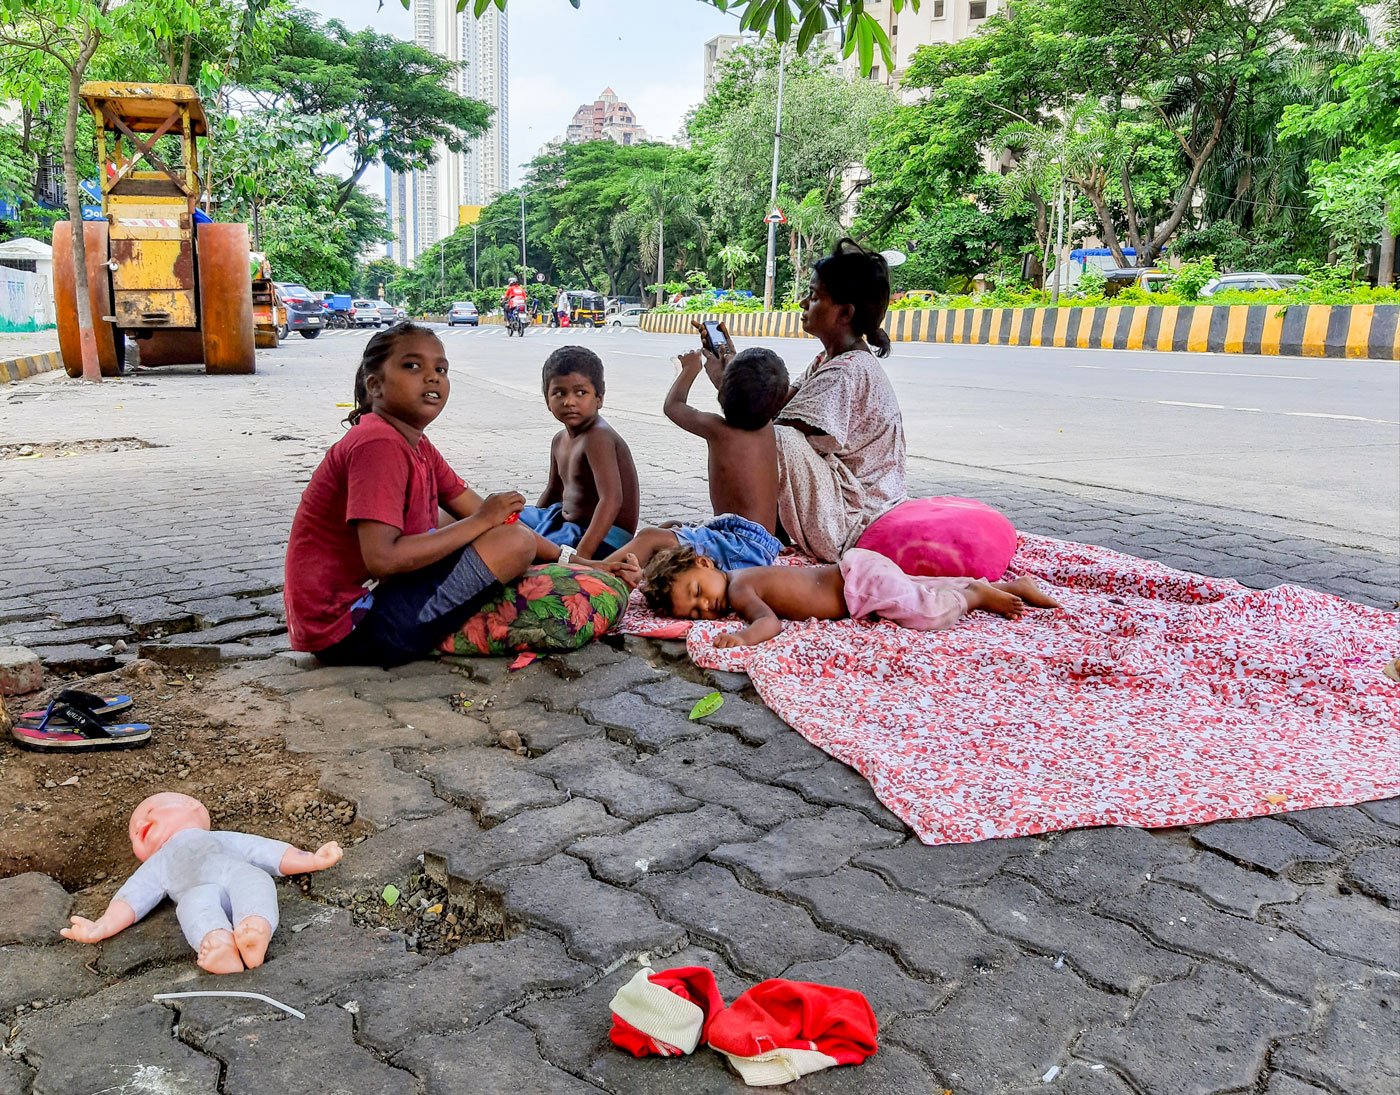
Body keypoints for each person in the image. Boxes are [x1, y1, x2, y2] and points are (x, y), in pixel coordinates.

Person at [283, 322, 537, 667]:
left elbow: (492, 516)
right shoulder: (378, 443)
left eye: (441, 369)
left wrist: (576, 560)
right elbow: (382, 559)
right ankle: (451, 627)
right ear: (375, 385)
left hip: (365, 605)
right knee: (514, 544)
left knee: (469, 524)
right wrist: (482, 521)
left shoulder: (414, 443)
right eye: (412, 366)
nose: (432, 377)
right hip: (348, 630)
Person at [700, 239, 906, 562]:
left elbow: (759, 422)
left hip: (856, 520)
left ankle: (740, 543)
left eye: (813, 296)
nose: (802, 303)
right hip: (847, 504)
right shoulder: (829, 360)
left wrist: (725, 382)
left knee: (766, 438)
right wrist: (733, 366)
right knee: (768, 432)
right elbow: (777, 402)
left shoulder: (846, 372)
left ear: (845, 313)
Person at [590, 346, 788, 574]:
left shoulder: (718, 430)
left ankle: (593, 578)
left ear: (723, 392)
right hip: (760, 547)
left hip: (737, 547)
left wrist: (690, 369)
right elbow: (747, 396)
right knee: (670, 528)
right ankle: (638, 574)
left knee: (649, 537)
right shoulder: (767, 428)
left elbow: (673, 407)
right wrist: (725, 372)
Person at [637, 545, 1059, 648]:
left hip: (859, 585)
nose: (704, 606)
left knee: (924, 612)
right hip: (858, 571)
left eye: (697, 592)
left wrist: (742, 639)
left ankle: (976, 596)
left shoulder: (741, 587)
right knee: (920, 589)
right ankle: (1008, 587)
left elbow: (770, 624)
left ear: (706, 564)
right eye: (694, 612)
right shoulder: (741, 579)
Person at [516, 345, 640, 561]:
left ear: (599, 398)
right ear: (547, 400)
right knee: (508, 521)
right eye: (559, 393)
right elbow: (553, 491)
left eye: (580, 392)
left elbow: (611, 499)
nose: (569, 401)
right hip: (563, 522)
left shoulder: (598, 437)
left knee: (522, 544)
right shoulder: (559, 440)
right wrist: (536, 524)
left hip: (603, 537)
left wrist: (582, 557)